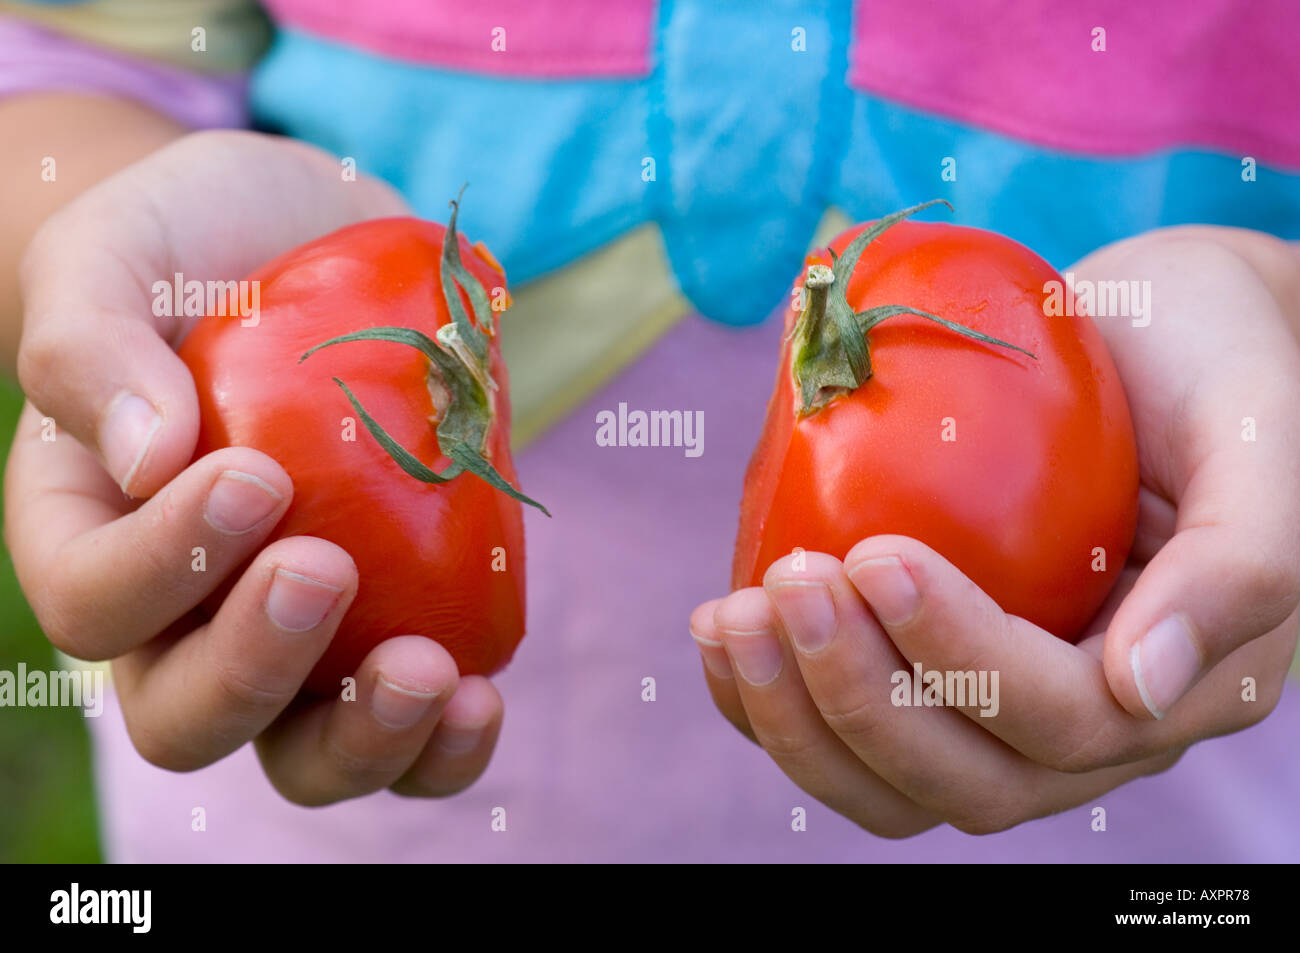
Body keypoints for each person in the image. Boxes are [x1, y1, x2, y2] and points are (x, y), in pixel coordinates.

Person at [2, 0, 1298, 860]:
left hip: (1167, 789)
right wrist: (131, 269)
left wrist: (1271, 320)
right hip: (320, 758)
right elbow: (59, 64)